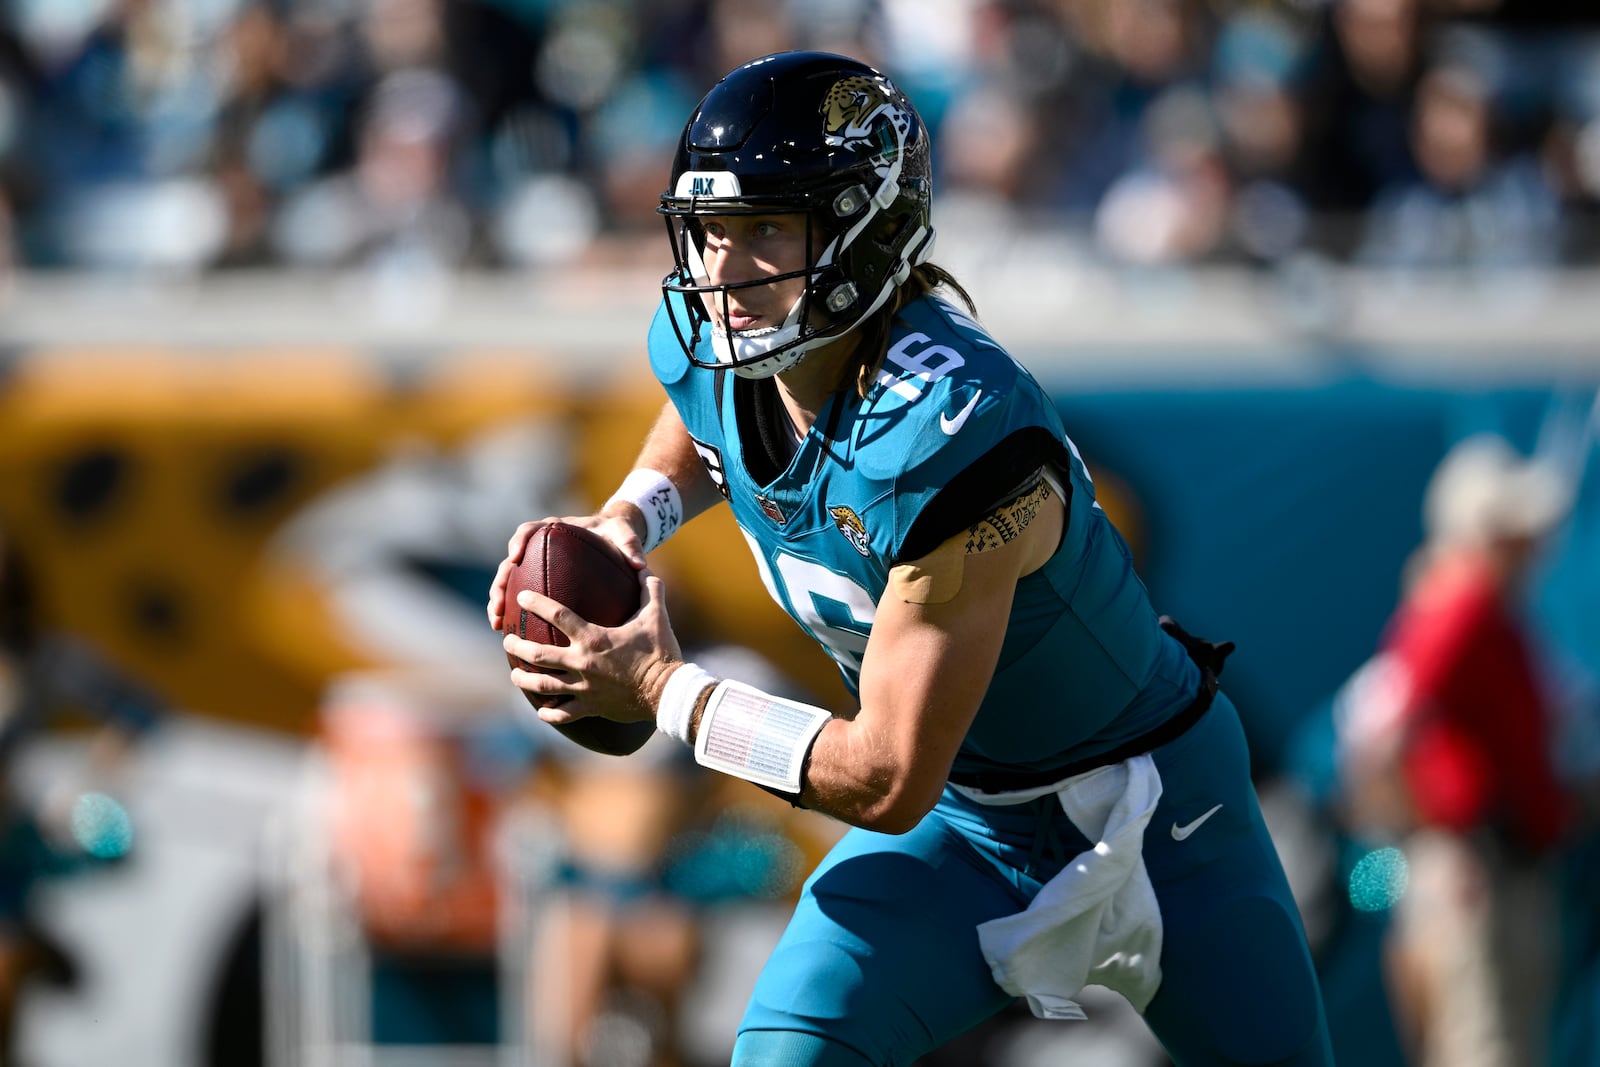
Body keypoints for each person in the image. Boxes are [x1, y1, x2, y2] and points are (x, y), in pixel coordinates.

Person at [488, 50, 1333, 1066]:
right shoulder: (718, 339)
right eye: (709, 230)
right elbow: (703, 418)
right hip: (968, 834)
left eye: (764, 228)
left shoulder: (946, 433)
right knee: (784, 1053)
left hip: (1160, 820)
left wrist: (667, 690)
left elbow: (885, 774)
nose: (720, 270)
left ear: (861, 226)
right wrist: (628, 519)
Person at [1335, 433, 1575, 1067]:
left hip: (1502, 862)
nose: (1535, 547)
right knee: (1483, 1048)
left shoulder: (1493, 613)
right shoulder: (1459, 603)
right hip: (1474, 868)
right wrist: (1435, 847)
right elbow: (1379, 734)